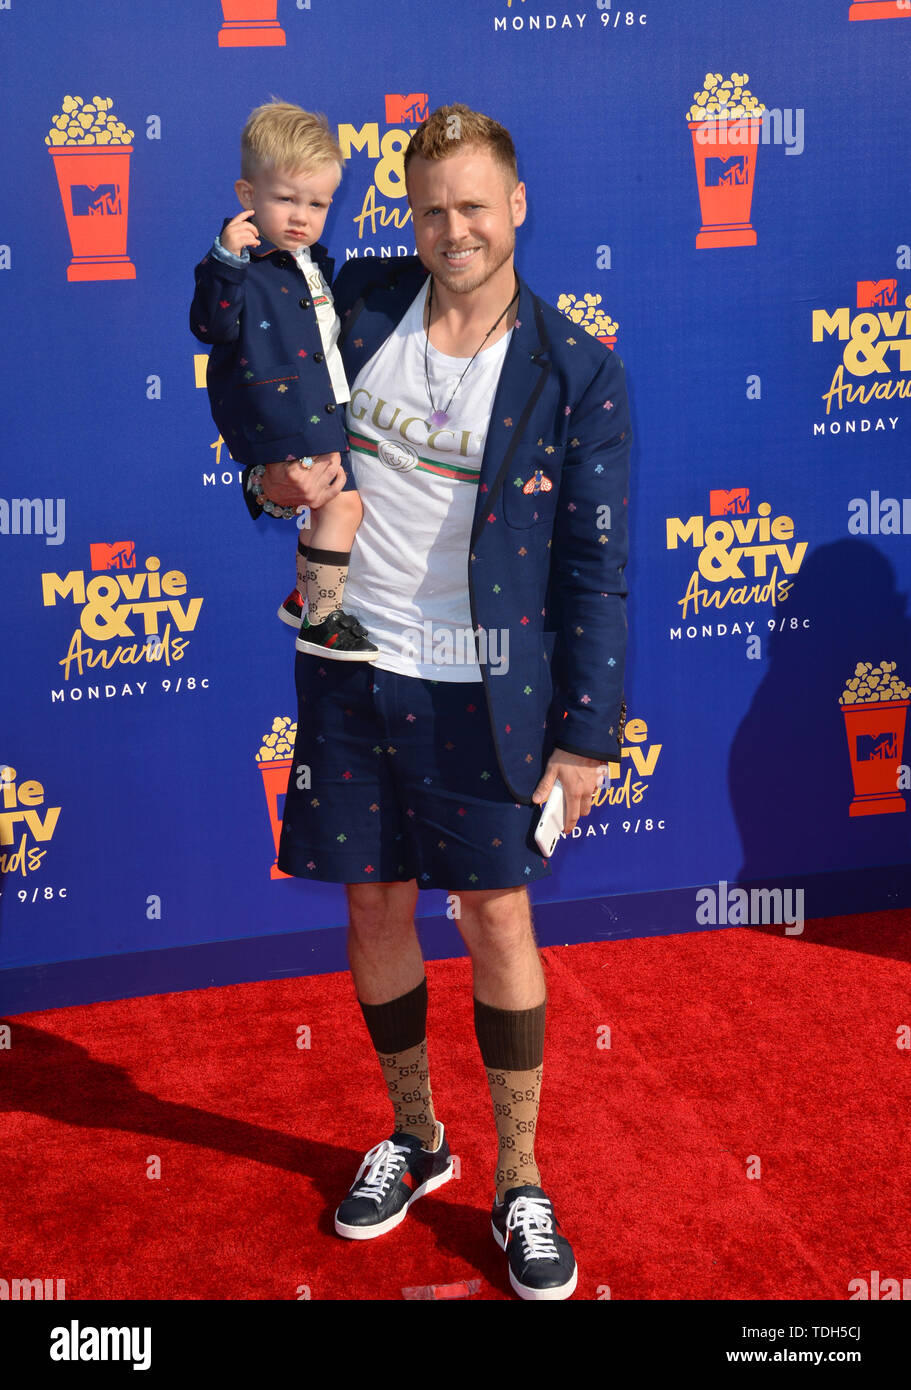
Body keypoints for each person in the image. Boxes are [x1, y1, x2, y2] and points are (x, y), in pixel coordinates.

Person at [265, 104, 631, 1301]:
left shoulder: (575, 369)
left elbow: (594, 568)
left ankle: (519, 1180)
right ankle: (418, 1139)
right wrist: (265, 473)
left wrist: (585, 734)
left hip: (483, 683)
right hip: (346, 664)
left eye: (473, 205)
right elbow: (260, 384)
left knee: (492, 920)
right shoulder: (357, 303)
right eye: (431, 208)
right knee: (372, 904)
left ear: (515, 205)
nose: (453, 228)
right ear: (406, 216)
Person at [190, 98, 377, 659]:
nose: (302, 215)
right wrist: (225, 258)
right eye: (286, 199)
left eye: (317, 203)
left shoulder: (312, 263)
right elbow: (210, 325)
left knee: (328, 507)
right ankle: (322, 619)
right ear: (247, 198)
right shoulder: (238, 268)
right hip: (283, 415)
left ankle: (303, 596)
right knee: (343, 507)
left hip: (321, 410)